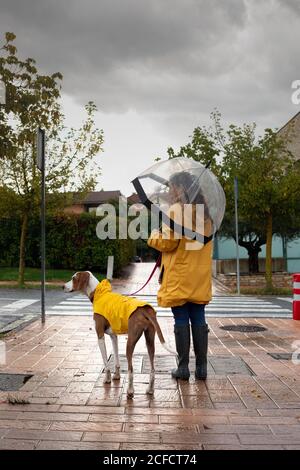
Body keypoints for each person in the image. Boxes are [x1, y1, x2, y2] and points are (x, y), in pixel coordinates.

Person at [147, 171, 213, 380]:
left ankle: (183, 368)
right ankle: (201, 368)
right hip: (199, 274)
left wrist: (154, 234)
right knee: (199, 317)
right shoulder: (206, 213)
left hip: (179, 273)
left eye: (172, 187)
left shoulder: (176, 211)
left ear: (182, 188)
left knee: (181, 318)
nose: (169, 191)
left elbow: (168, 243)